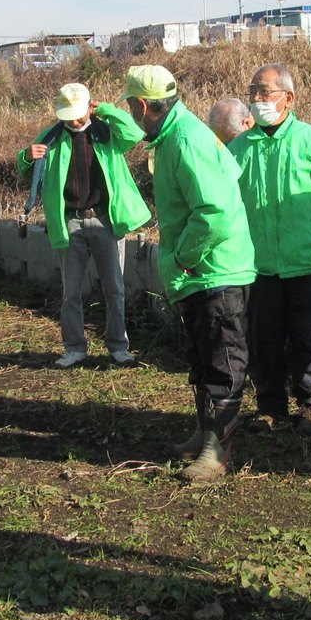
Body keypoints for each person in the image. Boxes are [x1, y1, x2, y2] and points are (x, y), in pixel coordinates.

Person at [122, 66, 256, 483]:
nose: (130, 115)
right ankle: (204, 434)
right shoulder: (175, 136)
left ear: (143, 106)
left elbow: (214, 214)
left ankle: (218, 452)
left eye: (130, 107)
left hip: (214, 271)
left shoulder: (186, 140)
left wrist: (181, 258)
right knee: (202, 359)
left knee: (223, 362)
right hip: (202, 272)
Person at [228, 64, 311, 437]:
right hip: (260, 266)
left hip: (309, 262)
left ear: (288, 99)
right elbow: (225, 206)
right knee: (265, 340)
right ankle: (270, 407)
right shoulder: (238, 149)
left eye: (265, 92)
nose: (257, 99)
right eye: (253, 91)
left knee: (309, 338)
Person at [17, 82, 151, 368]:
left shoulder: (105, 132)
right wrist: (26, 157)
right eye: (69, 116)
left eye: (79, 115)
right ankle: (75, 348)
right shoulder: (51, 138)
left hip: (106, 219)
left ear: (89, 108)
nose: (74, 122)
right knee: (71, 292)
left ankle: (118, 347)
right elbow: (25, 167)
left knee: (115, 288)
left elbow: (135, 133)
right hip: (70, 222)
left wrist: (106, 109)